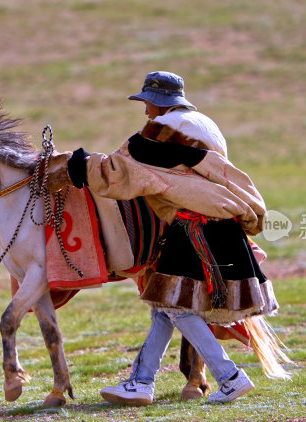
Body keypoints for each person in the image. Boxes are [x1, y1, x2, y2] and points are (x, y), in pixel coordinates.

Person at [47, 71, 281, 405]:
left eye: (147, 103)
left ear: (158, 103)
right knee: (163, 306)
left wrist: (74, 165)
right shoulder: (205, 125)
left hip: (194, 228)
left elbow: (118, 170)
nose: (145, 112)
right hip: (220, 226)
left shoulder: (159, 134)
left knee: (177, 307)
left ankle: (229, 377)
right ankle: (141, 382)